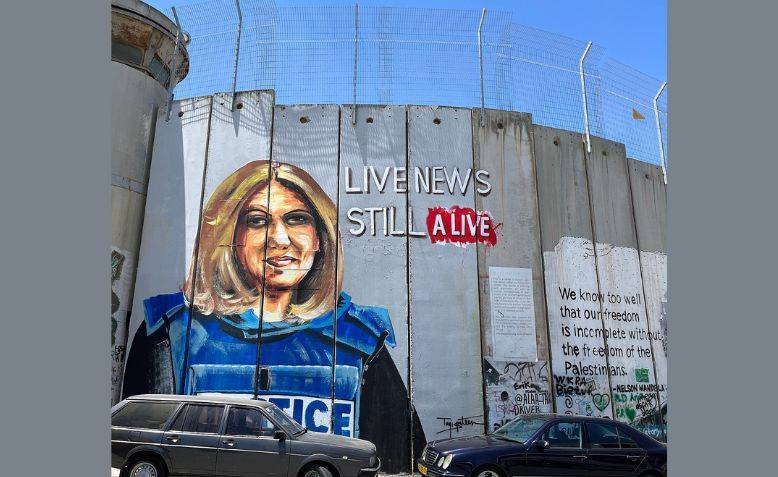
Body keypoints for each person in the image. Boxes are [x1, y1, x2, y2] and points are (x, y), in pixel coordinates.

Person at [123, 160, 425, 472]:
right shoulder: (170, 333)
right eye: (257, 221)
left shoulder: (359, 341)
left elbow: (396, 460)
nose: (280, 239)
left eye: (297, 219)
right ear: (230, 236)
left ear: (320, 238)